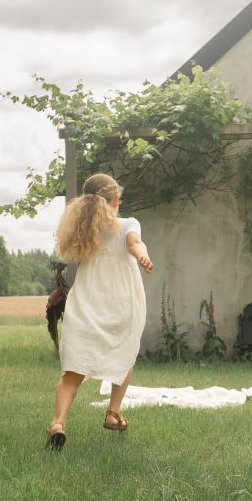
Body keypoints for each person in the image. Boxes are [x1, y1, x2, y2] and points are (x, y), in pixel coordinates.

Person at [45, 173, 153, 450]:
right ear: (116, 200)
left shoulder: (83, 230)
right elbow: (134, 242)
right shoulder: (128, 224)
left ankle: (58, 423)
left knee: (72, 372)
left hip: (87, 305)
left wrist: (138, 251)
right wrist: (142, 254)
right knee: (125, 354)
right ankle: (113, 413)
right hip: (121, 304)